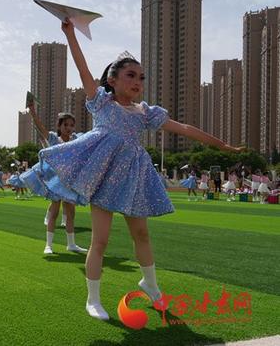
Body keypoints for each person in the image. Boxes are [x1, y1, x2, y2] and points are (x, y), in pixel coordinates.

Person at [46, 18, 242, 320]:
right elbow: (83, 68)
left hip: (133, 177)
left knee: (142, 235)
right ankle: (93, 299)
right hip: (104, 176)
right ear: (112, 79)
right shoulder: (101, 103)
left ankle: (150, 285)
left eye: (141, 77)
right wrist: (71, 35)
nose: (137, 82)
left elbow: (185, 128)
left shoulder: (146, 112)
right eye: (130, 75)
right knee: (100, 240)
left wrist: (221, 145)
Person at [20, 106, 87, 254]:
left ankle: (71, 244)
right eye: (66, 125)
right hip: (55, 181)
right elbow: (40, 127)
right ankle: (48, 245)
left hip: (70, 180)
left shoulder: (76, 140)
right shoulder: (53, 138)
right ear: (59, 126)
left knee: (71, 212)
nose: (69, 128)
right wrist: (32, 111)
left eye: (71, 125)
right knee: (54, 211)